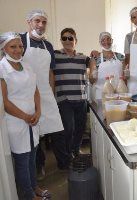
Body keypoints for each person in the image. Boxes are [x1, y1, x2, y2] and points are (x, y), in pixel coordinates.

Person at [0, 32, 50, 200]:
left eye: (20, 46)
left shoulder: (26, 65)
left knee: (32, 156)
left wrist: (38, 112)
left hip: (32, 119)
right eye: (13, 46)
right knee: (22, 160)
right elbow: (4, 102)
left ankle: (34, 186)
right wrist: (24, 116)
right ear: (4, 48)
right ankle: (28, 194)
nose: (18, 50)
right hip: (15, 122)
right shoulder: (2, 69)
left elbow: (35, 90)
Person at [20, 9, 65, 178]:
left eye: (44, 22)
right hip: (27, 95)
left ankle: (64, 162)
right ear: (29, 22)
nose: (40, 25)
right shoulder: (21, 40)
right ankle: (39, 166)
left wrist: (51, 93)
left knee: (58, 130)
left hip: (46, 93)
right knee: (35, 133)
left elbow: (50, 72)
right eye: (37, 21)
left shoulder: (48, 45)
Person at [54, 28, 90, 157]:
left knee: (80, 128)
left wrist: (94, 57)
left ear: (75, 40)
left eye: (70, 38)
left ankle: (76, 150)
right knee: (68, 129)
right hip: (64, 100)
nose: (67, 41)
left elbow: (93, 62)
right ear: (61, 40)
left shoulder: (83, 58)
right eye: (64, 38)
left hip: (81, 99)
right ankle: (68, 154)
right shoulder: (55, 56)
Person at [89, 32, 124, 100]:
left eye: (108, 39)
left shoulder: (120, 57)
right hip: (101, 95)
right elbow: (91, 81)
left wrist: (127, 75)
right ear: (100, 42)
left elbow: (125, 77)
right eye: (103, 40)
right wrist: (93, 76)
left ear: (112, 41)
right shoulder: (95, 58)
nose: (106, 42)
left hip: (118, 93)